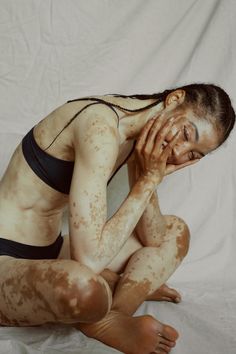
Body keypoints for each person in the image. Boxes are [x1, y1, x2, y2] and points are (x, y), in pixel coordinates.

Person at [0, 83, 234, 354]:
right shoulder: (100, 127)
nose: (180, 153)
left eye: (193, 154)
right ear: (175, 99)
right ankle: (102, 308)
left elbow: (155, 239)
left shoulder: (139, 137)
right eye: (185, 134)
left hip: (52, 252)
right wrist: (148, 181)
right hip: (6, 257)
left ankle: (115, 314)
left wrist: (144, 173)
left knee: (175, 232)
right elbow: (88, 259)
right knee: (84, 289)